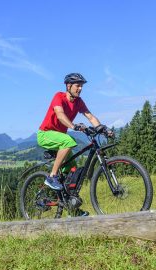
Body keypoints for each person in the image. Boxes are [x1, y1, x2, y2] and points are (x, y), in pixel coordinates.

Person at [38, 72, 112, 215]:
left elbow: (90, 116)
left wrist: (103, 128)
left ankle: (72, 209)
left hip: (60, 137)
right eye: (78, 86)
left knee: (73, 171)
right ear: (69, 86)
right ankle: (51, 176)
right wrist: (73, 126)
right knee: (69, 140)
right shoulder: (58, 97)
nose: (80, 89)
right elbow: (60, 115)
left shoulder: (78, 102)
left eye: (82, 86)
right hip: (45, 135)